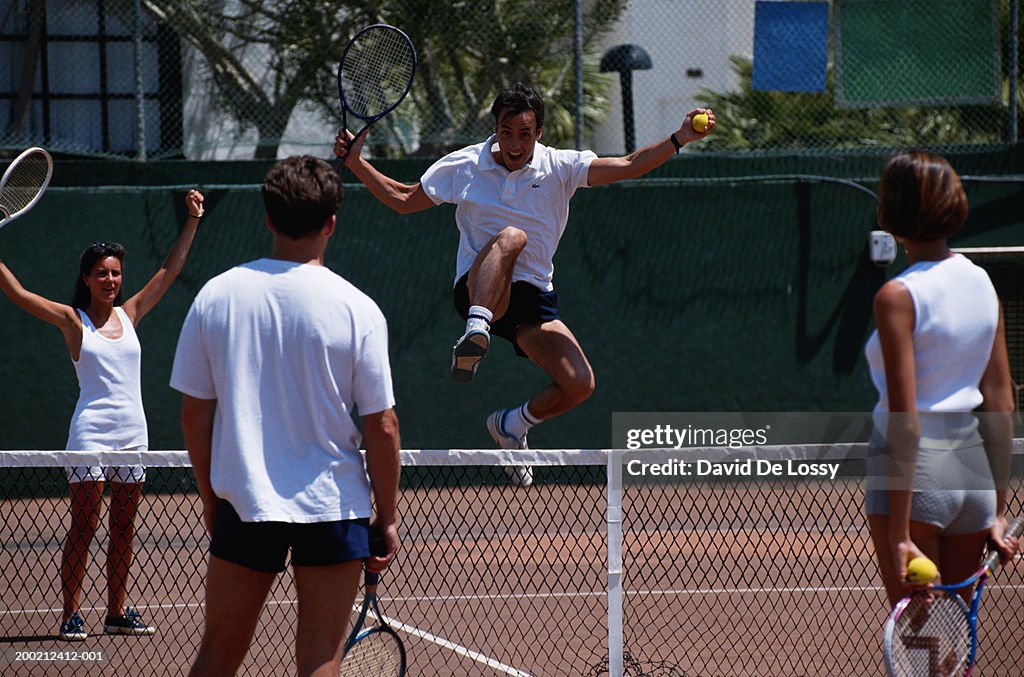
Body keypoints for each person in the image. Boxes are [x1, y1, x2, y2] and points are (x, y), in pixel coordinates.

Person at [334, 82, 714, 486]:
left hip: (532, 301)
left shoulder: (561, 167)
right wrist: (357, 163)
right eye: (506, 132)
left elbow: (629, 163)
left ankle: (512, 425)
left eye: (524, 133)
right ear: (495, 129)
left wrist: (680, 138)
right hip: (479, 290)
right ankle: (476, 330)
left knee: (579, 383)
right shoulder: (465, 165)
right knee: (512, 236)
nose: (514, 143)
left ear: (539, 133)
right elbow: (404, 198)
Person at [171, 156, 401, 677]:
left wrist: (212, 498)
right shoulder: (358, 308)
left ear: (269, 219)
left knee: (218, 652)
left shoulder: (216, 296)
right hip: (333, 508)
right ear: (332, 223)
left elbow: (193, 415)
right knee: (321, 657)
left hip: (245, 506)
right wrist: (385, 517)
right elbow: (381, 427)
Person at [0, 189, 206, 640]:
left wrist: (192, 220)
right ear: (87, 279)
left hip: (134, 435)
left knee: (124, 527)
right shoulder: (74, 322)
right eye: (102, 274)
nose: (110, 280)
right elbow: (16, 292)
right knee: (85, 523)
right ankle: (71, 613)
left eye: (115, 273)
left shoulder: (131, 313)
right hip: (90, 433)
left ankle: (116, 611)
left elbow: (170, 271)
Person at [863, 149, 1018, 606]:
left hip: (918, 481)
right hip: (973, 478)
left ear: (890, 209)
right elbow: (1001, 401)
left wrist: (898, 533)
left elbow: (905, 419)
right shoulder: (982, 281)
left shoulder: (897, 295)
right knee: (951, 641)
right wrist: (998, 510)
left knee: (919, 638)